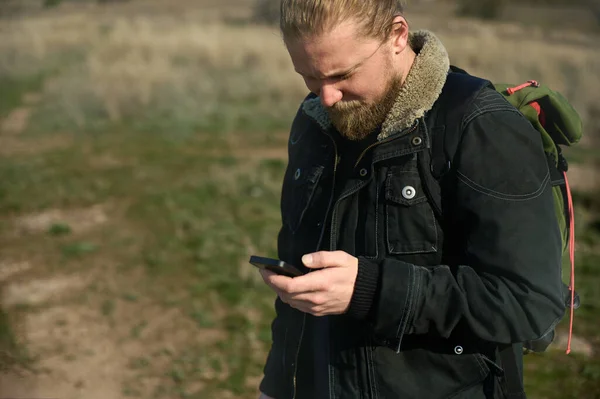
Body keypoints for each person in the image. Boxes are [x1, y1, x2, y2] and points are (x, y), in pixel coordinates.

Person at [257, 0, 566, 398]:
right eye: (309, 77)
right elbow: (300, 280)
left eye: (342, 74)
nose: (327, 97)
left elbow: (529, 302)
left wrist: (373, 290)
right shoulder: (314, 122)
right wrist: (278, 384)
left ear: (397, 36)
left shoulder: (480, 127)